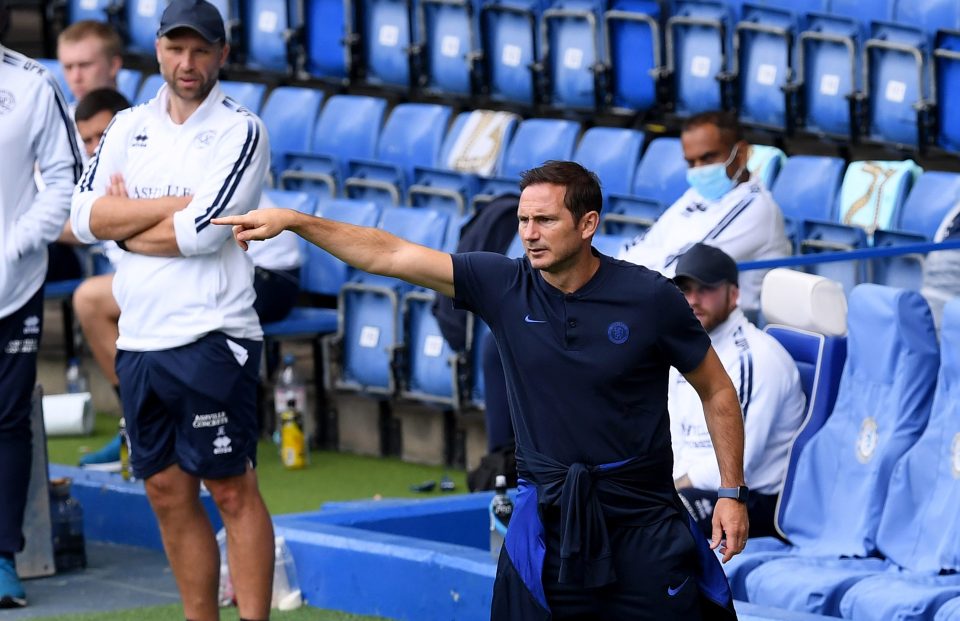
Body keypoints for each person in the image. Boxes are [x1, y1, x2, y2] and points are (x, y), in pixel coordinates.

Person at [215, 160, 749, 620]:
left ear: (589, 224)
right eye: (523, 221)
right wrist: (295, 222)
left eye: (544, 219)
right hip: (548, 523)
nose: (530, 233)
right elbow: (390, 254)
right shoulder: (504, 284)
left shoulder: (649, 297)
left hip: (643, 521)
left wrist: (730, 493)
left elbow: (718, 391)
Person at [69, 1, 274, 619]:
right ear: (157, 49)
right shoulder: (127, 126)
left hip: (214, 335)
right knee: (163, 489)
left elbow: (208, 232)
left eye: (201, 50)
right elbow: (83, 219)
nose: (187, 63)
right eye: (176, 48)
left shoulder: (242, 130)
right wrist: (176, 207)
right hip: (139, 339)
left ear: (222, 55)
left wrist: (126, 226)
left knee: (232, 489)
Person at [73, 93, 302, 471]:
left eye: (102, 135)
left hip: (268, 271)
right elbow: (90, 225)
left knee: (91, 298)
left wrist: (122, 221)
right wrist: (164, 208)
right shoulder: (113, 170)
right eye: (88, 140)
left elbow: (197, 235)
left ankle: (132, 423)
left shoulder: (181, 150)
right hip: (196, 271)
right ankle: (134, 419)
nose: (97, 147)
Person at [0, 0, 84, 606]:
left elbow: (64, 180)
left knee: (6, 424)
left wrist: (15, 246)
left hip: (13, 285)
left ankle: (2, 558)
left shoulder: (32, 84)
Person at [669, 243, 806, 539]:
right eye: (685, 289)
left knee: (658, 516)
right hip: (691, 487)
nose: (692, 300)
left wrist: (670, 487)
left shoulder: (758, 358)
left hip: (751, 501)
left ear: (734, 294)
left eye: (704, 289)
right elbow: (674, 435)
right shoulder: (682, 349)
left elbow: (738, 462)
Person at [618, 110, 791, 316]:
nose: (698, 170)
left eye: (708, 158)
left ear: (742, 154)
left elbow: (683, 272)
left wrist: (652, 262)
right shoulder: (696, 195)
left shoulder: (758, 208)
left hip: (721, 330)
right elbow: (631, 249)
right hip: (675, 314)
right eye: (691, 162)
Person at [56, 20, 123, 103]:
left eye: (85, 65)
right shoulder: (61, 114)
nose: (76, 78)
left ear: (113, 66)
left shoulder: (135, 116)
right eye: (68, 67)